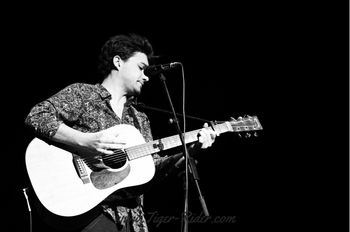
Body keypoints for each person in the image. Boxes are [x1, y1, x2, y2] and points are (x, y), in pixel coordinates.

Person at [24, 33, 216, 232]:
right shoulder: (83, 94)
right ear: (118, 62)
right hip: (91, 214)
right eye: (141, 68)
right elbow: (37, 116)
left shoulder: (139, 118)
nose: (146, 76)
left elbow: (151, 169)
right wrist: (85, 141)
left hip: (133, 220)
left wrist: (189, 151)